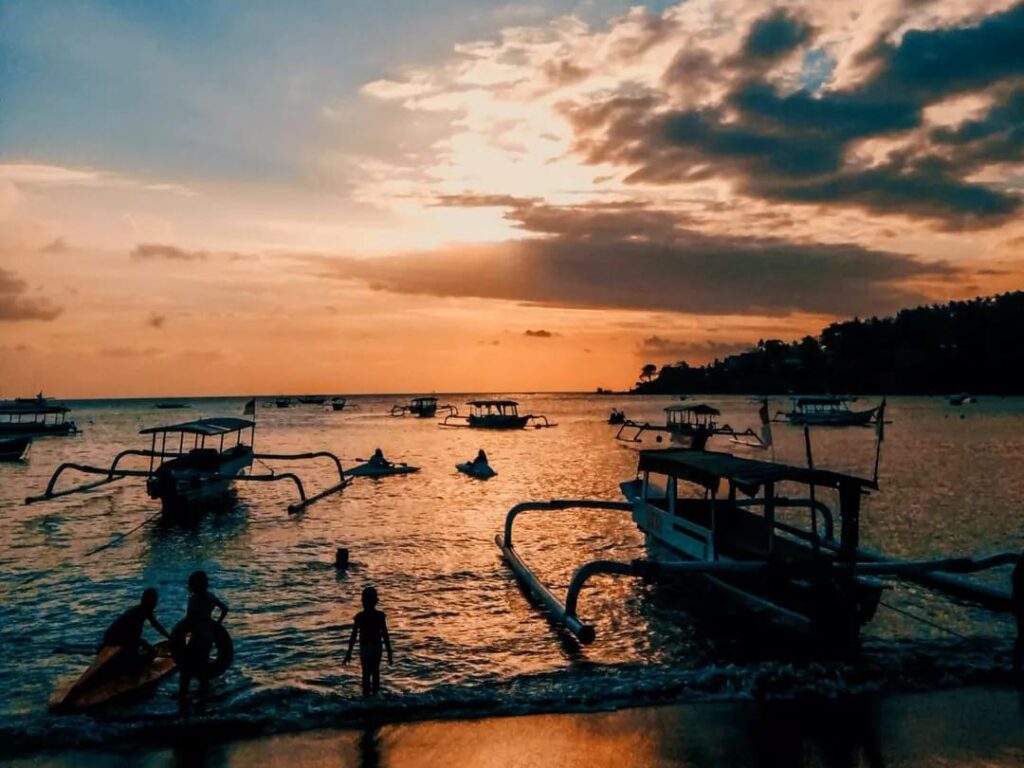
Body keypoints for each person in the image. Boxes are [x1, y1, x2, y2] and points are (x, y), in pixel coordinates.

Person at [178, 570, 229, 714]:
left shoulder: (194, 599)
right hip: (208, 638)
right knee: (203, 669)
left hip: (196, 638)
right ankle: (203, 702)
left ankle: (183, 702)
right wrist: (217, 624)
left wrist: (181, 639)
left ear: (193, 585)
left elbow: (189, 620)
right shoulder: (211, 597)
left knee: (185, 671)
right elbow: (225, 609)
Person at [344, 586, 393, 696]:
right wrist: (389, 652)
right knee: (375, 673)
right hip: (375, 648)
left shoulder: (360, 617)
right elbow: (385, 635)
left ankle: (366, 700)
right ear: (375, 601)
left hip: (366, 648)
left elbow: (353, 636)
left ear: (363, 601)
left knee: (366, 674)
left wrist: (349, 653)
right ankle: (375, 700)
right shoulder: (379, 616)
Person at [101, 588, 170, 661]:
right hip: (115, 637)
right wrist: (147, 646)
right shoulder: (137, 614)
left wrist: (169, 637)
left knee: (141, 648)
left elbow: (156, 625)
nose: (155, 603)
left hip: (114, 636)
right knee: (151, 653)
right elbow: (132, 636)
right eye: (154, 600)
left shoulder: (144, 610)